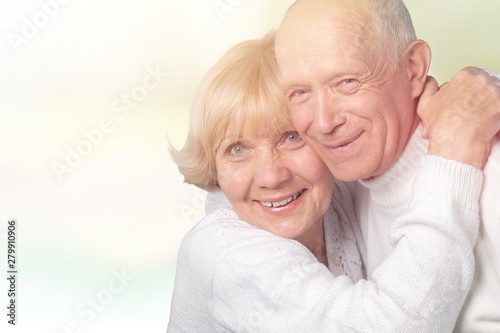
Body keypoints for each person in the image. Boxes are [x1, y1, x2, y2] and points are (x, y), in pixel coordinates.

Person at [167, 30, 497, 332]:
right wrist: (453, 151)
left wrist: (433, 99)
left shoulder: (335, 192)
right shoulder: (223, 255)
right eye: (236, 149)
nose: (271, 175)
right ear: (214, 163)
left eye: (291, 137)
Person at [274, 0, 500, 331]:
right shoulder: (345, 185)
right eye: (299, 93)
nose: (323, 122)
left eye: (347, 82)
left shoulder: (489, 171)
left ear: (413, 68)